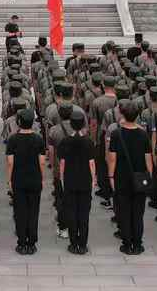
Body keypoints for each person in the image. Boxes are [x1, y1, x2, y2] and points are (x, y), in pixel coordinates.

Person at [107, 99, 151, 255]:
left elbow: (112, 158)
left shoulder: (116, 134)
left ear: (123, 114)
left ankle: (127, 243)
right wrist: (149, 176)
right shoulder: (143, 135)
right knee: (138, 212)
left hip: (121, 176)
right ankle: (137, 243)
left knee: (124, 211)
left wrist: (111, 176)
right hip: (140, 177)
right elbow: (148, 159)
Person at [7, 107, 47, 254]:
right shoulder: (38, 139)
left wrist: (9, 180)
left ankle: (21, 242)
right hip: (34, 178)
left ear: (18, 122)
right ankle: (32, 242)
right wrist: (42, 178)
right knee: (33, 210)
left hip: (18, 178)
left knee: (20, 211)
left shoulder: (13, 139)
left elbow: (10, 162)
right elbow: (42, 162)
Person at [57, 109, 96, 254]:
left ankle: (73, 243)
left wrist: (62, 180)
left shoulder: (65, 141)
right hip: (85, 180)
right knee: (84, 213)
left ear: (71, 125)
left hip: (70, 180)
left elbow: (62, 164)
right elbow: (91, 163)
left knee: (71, 212)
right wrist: (94, 179)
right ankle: (83, 244)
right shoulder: (88, 142)